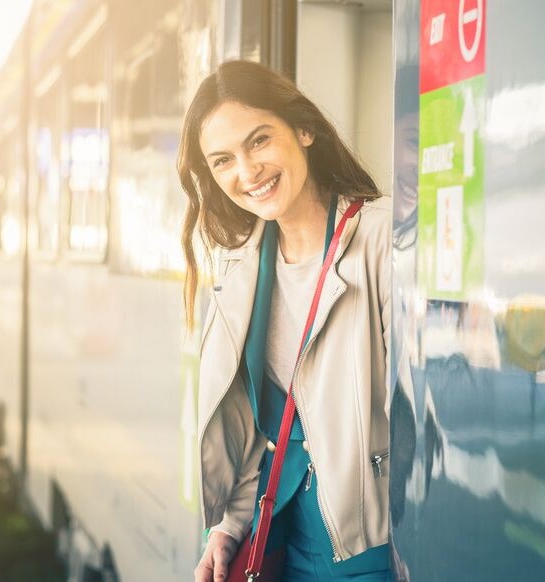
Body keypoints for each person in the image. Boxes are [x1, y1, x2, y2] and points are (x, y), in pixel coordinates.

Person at [178, 60, 391, 582]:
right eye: (223, 159)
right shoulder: (241, 267)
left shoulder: (382, 241)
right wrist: (227, 528)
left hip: (374, 549)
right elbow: (265, 427)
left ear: (304, 129)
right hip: (284, 541)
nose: (247, 173)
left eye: (259, 141)